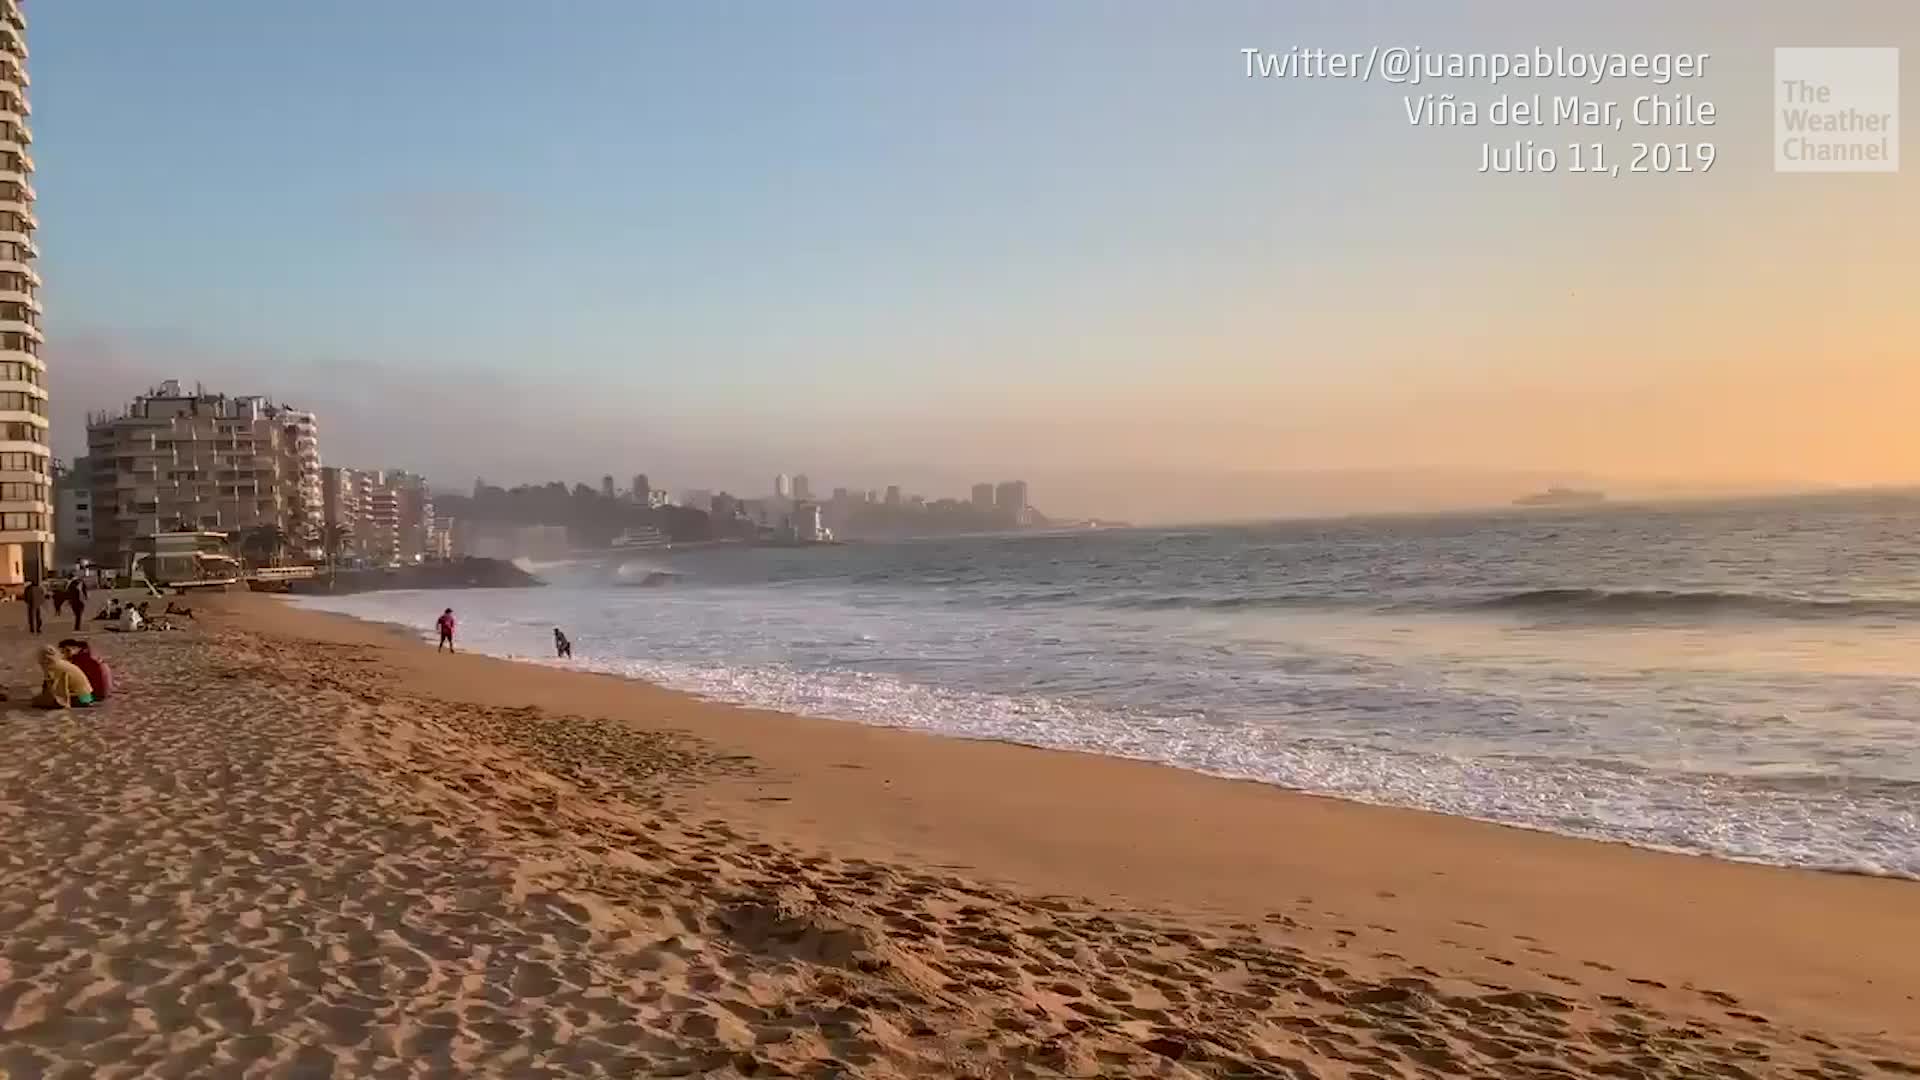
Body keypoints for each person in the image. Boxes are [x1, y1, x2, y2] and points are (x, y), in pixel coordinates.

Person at [33, 644, 94, 709]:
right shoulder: (62, 663)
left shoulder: (54, 668)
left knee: (36, 701)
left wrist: (61, 703)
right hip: (88, 697)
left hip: (83, 699)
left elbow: (62, 690)